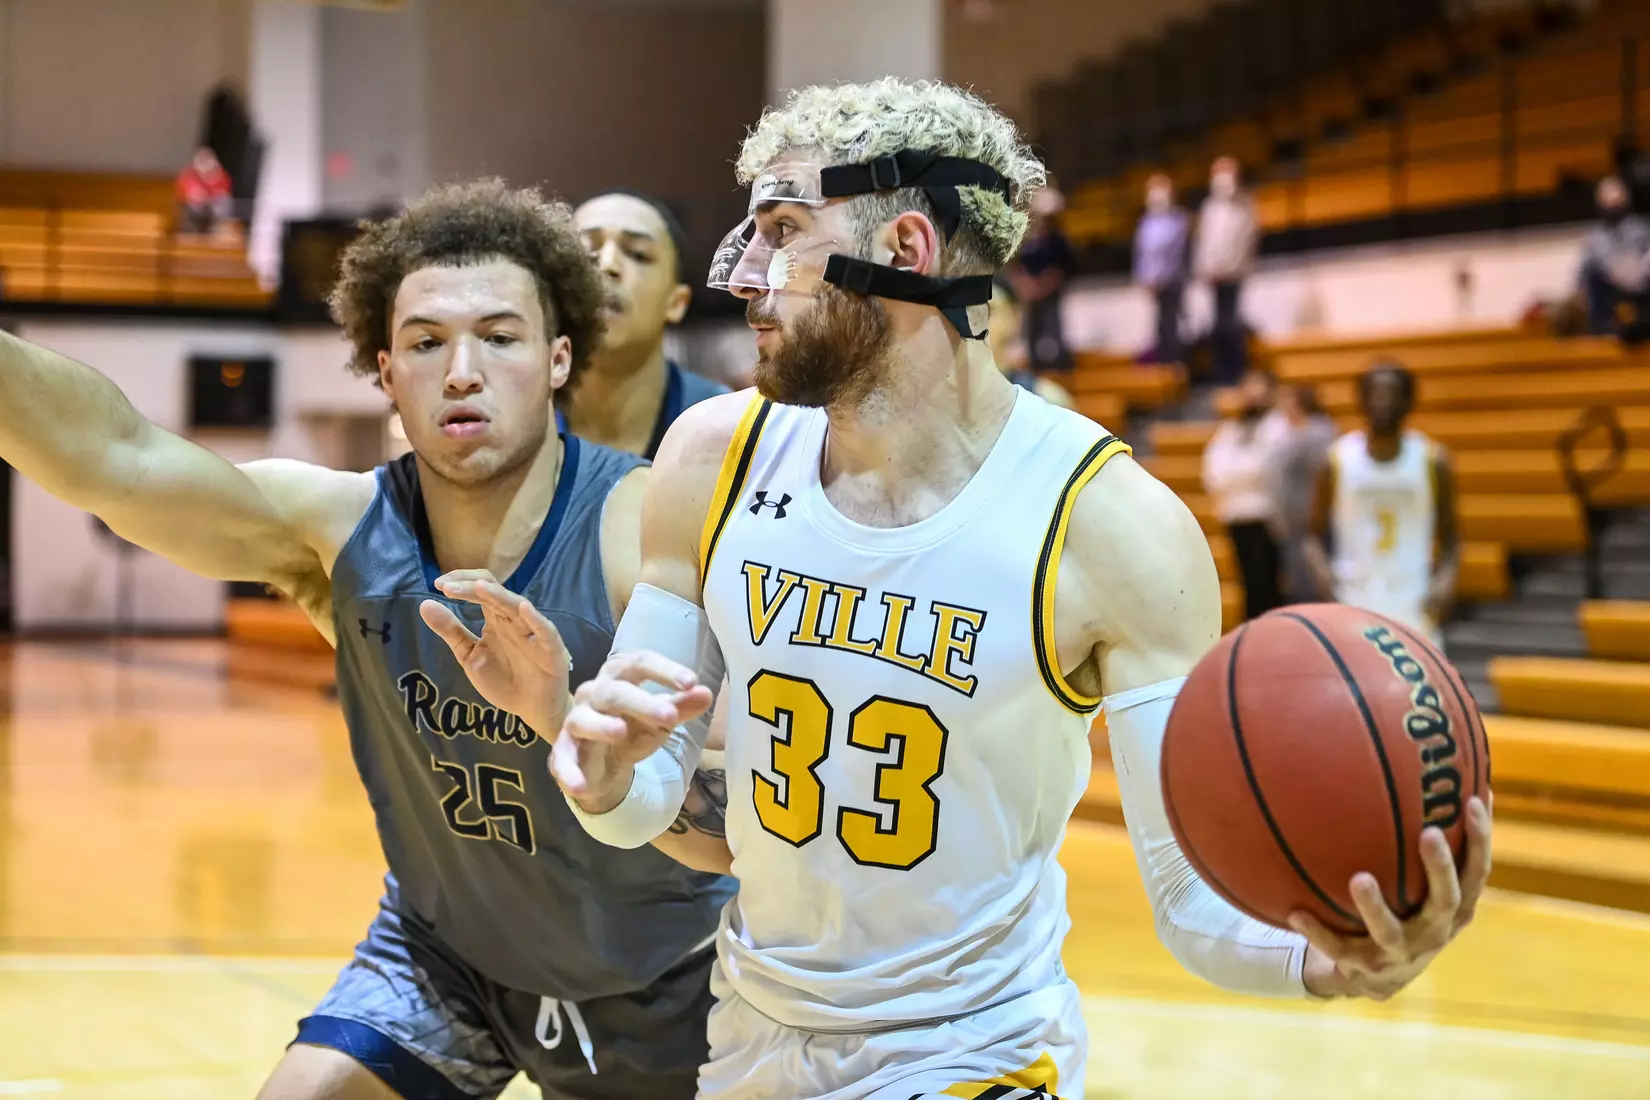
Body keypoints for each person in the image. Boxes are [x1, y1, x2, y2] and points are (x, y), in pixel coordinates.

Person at [433, 79, 1491, 1100]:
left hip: (973, 1052)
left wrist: (1334, 963)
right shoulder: (711, 457)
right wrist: (592, 753)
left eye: (785, 231)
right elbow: (650, 800)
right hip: (754, 1033)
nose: (746, 274)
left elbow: (1190, 900)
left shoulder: (1112, 525)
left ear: (906, 249)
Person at [0, 180, 735, 1100]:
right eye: (426, 343)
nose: (461, 369)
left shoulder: (640, 535)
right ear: (385, 373)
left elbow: (743, 813)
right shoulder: (343, 532)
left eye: (499, 338)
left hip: (659, 979)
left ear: (557, 359)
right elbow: (115, 454)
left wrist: (590, 741)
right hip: (446, 958)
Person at [1306, 361, 1460, 648]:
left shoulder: (1432, 460)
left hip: (1414, 599)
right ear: (1361, 400)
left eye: (1392, 393)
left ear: (1409, 400)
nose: (1383, 401)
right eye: (1375, 393)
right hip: (1352, 597)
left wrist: (1445, 582)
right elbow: (1312, 536)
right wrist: (1324, 577)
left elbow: (1452, 539)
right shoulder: (1336, 460)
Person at [566, 191, 729, 457]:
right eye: (587, 249)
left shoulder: (725, 425)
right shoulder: (518, 415)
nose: (607, 264)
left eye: (638, 254)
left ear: (676, 303)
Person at [1202, 369, 1290, 621]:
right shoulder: (1230, 430)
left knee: (1269, 587)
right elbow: (1214, 474)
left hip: (1268, 518)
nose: (1253, 397)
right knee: (1248, 587)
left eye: (1259, 391)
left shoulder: (1279, 425)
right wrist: (1246, 473)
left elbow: (1266, 469)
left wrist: (1237, 473)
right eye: (1249, 390)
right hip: (1235, 516)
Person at [1269, 384, 1339, 605]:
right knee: (1300, 583)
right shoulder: (1297, 433)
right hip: (1297, 522)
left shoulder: (1317, 433)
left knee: (1310, 585)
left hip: (1310, 522)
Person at [1193, 156, 1258, 384]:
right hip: (1213, 277)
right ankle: (1220, 371)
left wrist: (1228, 269)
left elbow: (1245, 241)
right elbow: (1204, 242)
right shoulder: (1210, 207)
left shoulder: (1244, 205)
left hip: (1233, 275)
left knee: (1230, 324)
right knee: (1217, 326)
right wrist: (1204, 268)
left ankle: (1235, 371)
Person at [1006, 185, 1075, 373]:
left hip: (1050, 292)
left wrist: (1043, 285)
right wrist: (1025, 284)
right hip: (1031, 293)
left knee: (1053, 329)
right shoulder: (1028, 239)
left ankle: (1061, 367)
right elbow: (1016, 265)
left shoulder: (1058, 240)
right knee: (1032, 332)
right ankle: (1035, 367)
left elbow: (1061, 268)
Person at [988, 275, 1075, 409]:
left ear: (1015, 318)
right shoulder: (946, 401)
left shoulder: (1047, 401)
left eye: (988, 311)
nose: (973, 322)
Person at [1579, 175, 1650, 339]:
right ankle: (1603, 328)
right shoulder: (1594, 236)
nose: (1613, 205)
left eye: (1617, 198)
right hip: (1610, 285)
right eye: (1608, 199)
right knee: (1592, 276)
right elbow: (1584, 269)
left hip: (1641, 282)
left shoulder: (1641, 228)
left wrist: (1639, 269)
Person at [1133, 173, 1190, 363]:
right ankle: (1163, 363)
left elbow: (1176, 253)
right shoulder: (1146, 222)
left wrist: (1163, 279)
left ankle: (1175, 364)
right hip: (1152, 283)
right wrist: (1145, 279)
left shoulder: (1178, 220)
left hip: (1172, 282)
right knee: (1158, 326)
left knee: (1172, 324)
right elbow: (1142, 254)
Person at [176, 145, 234, 235]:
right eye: (202, 159)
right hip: (193, 209)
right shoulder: (188, 175)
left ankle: (217, 234)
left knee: (223, 204)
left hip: (212, 207)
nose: (205, 163)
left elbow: (223, 193)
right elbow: (187, 195)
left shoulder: (221, 175)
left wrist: (212, 179)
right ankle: (191, 234)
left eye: (208, 159)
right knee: (192, 207)